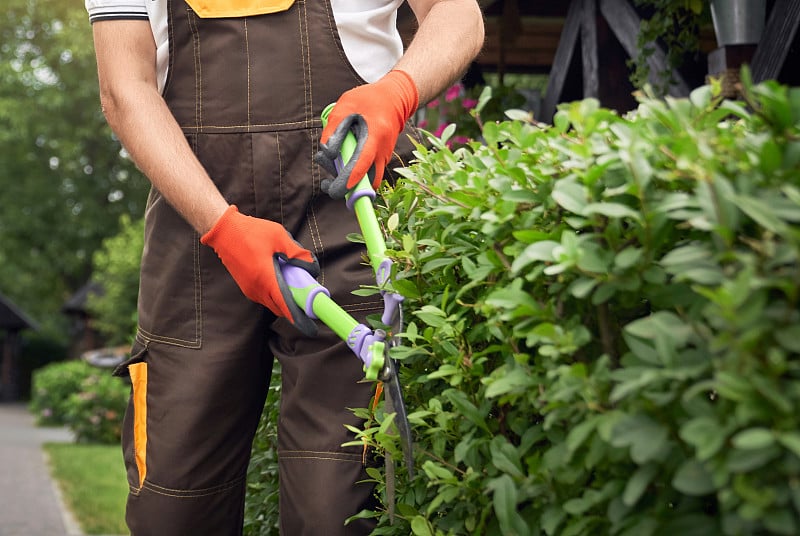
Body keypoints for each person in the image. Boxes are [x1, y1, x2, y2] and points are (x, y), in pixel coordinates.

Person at [84, 0, 484, 534]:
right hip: (196, 229)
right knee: (172, 509)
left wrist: (396, 91)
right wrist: (223, 228)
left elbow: (460, 15)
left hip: (348, 211)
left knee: (337, 508)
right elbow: (123, 89)